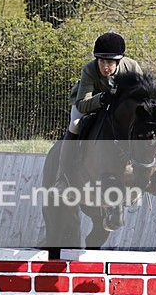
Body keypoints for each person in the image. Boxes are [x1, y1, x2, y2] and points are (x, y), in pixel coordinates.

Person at [54, 32, 143, 189]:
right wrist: (102, 98)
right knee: (75, 124)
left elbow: (142, 96)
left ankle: (144, 171)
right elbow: (82, 103)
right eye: (101, 61)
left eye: (109, 62)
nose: (105, 66)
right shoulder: (90, 69)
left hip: (119, 107)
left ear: (119, 61)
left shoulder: (132, 68)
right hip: (89, 102)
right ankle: (62, 177)